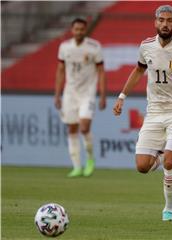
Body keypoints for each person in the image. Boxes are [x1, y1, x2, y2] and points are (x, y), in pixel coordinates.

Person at [113, 5, 172, 222]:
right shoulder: (146, 46)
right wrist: (122, 96)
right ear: (155, 22)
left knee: (170, 163)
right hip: (153, 112)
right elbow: (139, 70)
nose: (165, 24)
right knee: (142, 167)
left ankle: (168, 209)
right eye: (161, 20)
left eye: (169, 20)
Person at [54, 18, 106, 178]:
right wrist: (57, 94)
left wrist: (102, 95)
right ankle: (76, 166)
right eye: (76, 29)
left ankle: (90, 159)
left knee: (84, 127)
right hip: (70, 93)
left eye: (81, 29)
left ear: (86, 30)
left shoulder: (94, 47)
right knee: (72, 129)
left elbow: (101, 71)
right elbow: (60, 70)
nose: (79, 32)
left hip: (87, 93)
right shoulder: (64, 47)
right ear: (72, 30)